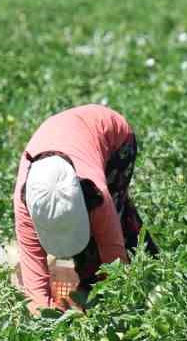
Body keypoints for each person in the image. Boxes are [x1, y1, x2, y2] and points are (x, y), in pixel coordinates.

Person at [13, 104, 157, 313]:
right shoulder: (26, 203)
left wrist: (116, 309)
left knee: (104, 238)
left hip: (114, 137)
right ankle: (151, 263)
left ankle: (154, 272)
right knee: (112, 225)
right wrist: (45, 318)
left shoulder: (96, 193)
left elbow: (113, 258)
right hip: (68, 137)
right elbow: (35, 286)